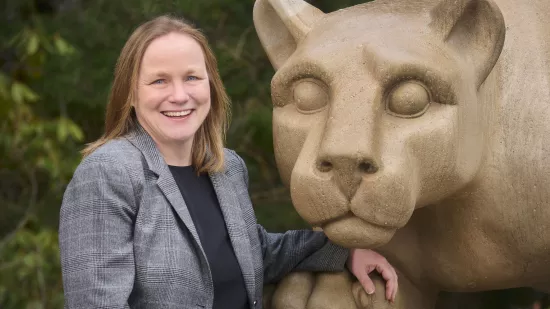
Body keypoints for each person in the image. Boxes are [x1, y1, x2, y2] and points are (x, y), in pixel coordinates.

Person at [58, 15, 398, 309]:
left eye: (191, 77)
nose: (179, 95)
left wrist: (344, 253)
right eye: (159, 80)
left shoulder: (227, 168)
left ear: (210, 85)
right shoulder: (108, 173)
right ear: (131, 93)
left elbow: (253, 252)